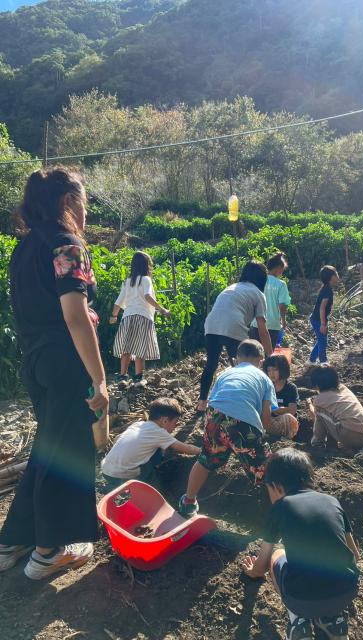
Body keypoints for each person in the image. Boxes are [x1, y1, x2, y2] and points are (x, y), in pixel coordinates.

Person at [0, 167, 108, 580]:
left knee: (49, 447)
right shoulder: (67, 245)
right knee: (68, 453)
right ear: (68, 201)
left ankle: (14, 540)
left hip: (36, 361)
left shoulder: (26, 247)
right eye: (84, 202)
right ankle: (48, 552)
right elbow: (75, 317)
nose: (86, 212)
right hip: (65, 361)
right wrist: (99, 379)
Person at [243, 448, 360, 640]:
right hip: (347, 592)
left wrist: (252, 571)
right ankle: (332, 620)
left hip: (302, 600)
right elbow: (355, 555)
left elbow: (261, 566)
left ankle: (298, 621)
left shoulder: (279, 507)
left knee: (278, 554)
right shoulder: (332, 501)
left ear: (276, 486)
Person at [179, 339, 277, 516]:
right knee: (265, 470)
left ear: (237, 358)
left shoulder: (225, 373)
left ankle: (188, 501)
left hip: (214, 417)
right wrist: (261, 436)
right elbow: (266, 416)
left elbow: (214, 401)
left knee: (205, 460)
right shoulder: (264, 379)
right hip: (244, 423)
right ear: (261, 360)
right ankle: (277, 513)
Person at [197, 261, 273, 412]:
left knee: (211, 364)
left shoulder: (232, 287)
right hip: (233, 325)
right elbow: (263, 330)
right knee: (244, 366)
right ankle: (242, 402)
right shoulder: (258, 294)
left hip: (211, 325)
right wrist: (270, 356)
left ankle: (202, 403)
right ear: (262, 279)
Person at [101, 398, 200, 490]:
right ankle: (153, 488)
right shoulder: (159, 433)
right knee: (153, 470)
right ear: (165, 421)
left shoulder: (138, 425)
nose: (175, 427)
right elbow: (185, 448)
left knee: (155, 449)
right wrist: (202, 451)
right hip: (121, 477)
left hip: (106, 470)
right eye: (175, 422)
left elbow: (117, 439)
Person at [110, 251, 170, 388]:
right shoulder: (146, 279)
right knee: (140, 349)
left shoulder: (127, 282)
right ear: (146, 265)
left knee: (126, 348)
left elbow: (118, 302)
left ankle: (122, 378)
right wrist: (162, 309)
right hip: (143, 316)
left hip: (127, 317)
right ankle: (138, 378)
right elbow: (148, 296)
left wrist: (114, 316)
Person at [306, 366, 363, 455]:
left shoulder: (319, 400)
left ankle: (317, 444)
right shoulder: (344, 389)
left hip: (348, 435)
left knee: (319, 413)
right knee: (337, 418)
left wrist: (310, 404)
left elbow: (316, 416)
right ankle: (351, 448)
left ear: (317, 385)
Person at [250, 252, 291, 349]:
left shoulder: (258, 280)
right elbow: (282, 305)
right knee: (268, 353)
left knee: (254, 352)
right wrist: (283, 320)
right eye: (282, 270)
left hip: (256, 323)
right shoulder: (281, 284)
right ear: (278, 268)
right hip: (272, 325)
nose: (282, 273)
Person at [306, 265, 339, 366]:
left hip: (317, 319)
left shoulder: (327, 288)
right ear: (331, 278)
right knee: (322, 341)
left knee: (322, 340)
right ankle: (323, 361)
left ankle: (311, 360)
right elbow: (322, 308)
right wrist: (323, 324)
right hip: (318, 320)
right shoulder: (327, 291)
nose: (337, 275)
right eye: (335, 273)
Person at [264, 354, 299, 439]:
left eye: (275, 369)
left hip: (285, 423)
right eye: (269, 370)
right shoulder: (266, 386)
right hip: (269, 421)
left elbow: (292, 410)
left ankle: (285, 438)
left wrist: (273, 409)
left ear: (283, 369)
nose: (272, 373)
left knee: (288, 417)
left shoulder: (290, 388)